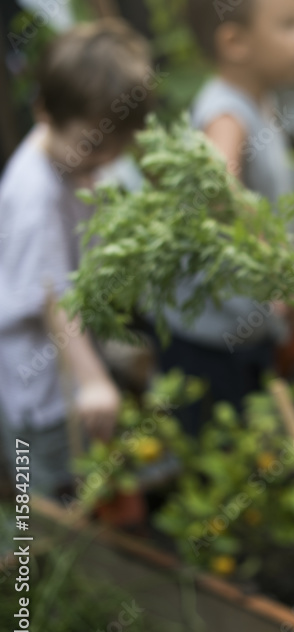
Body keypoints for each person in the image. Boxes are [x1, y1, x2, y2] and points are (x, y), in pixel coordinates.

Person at [0, 19, 153, 497]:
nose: (99, 167)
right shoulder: (34, 197)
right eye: (90, 151)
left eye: (110, 154)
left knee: (82, 482)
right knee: (43, 495)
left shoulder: (75, 158)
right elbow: (53, 296)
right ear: (43, 111)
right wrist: (92, 381)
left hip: (68, 368)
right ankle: (29, 562)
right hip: (38, 389)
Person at [161, 0, 294, 435]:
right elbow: (218, 189)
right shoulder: (226, 114)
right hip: (214, 336)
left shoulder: (255, 99)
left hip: (244, 321)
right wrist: (276, 264)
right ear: (235, 42)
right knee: (226, 447)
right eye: (289, 25)